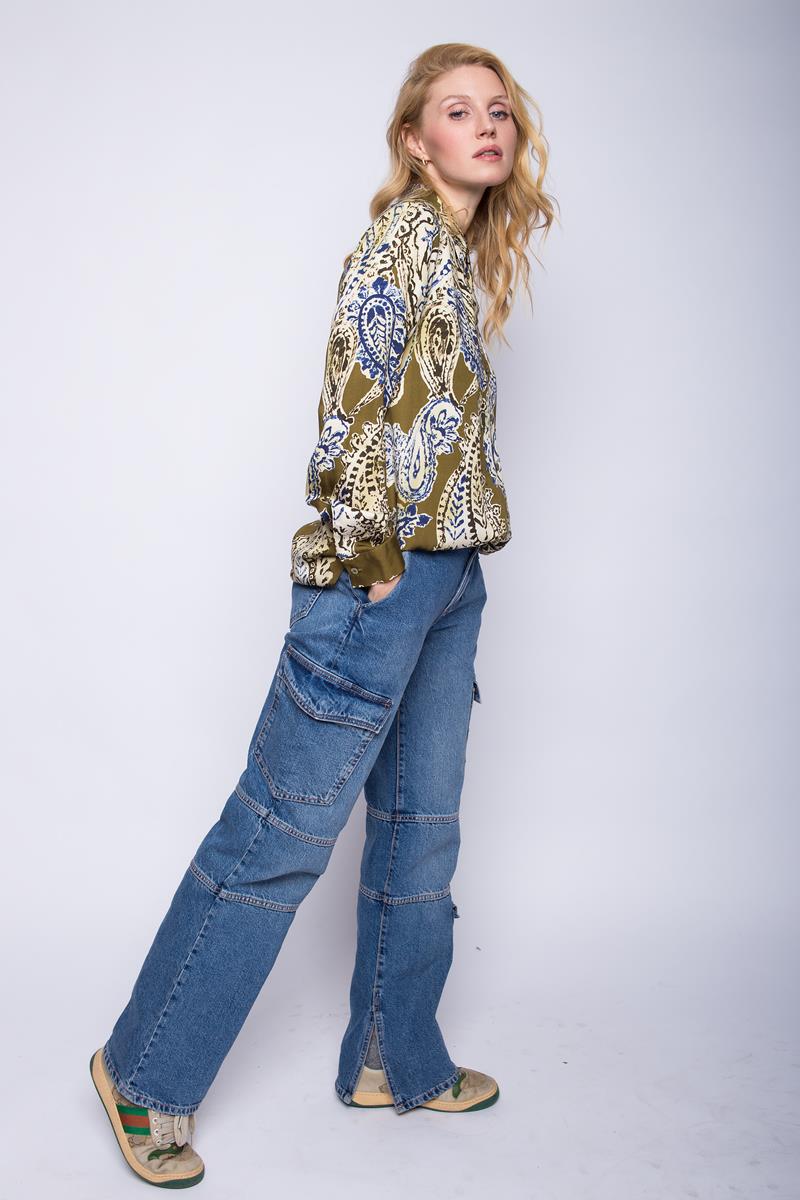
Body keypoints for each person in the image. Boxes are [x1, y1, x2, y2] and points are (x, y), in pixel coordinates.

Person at [90, 41, 556, 1188]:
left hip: (447, 577)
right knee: (276, 838)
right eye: (458, 111)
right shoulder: (396, 242)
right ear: (414, 140)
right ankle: (141, 1072)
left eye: (497, 110)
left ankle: (392, 1061)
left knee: (419, 830)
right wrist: (371, 556)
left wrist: (437, 571)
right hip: (376, 579)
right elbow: (349, 399)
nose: (485, 127)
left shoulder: (451, 251)